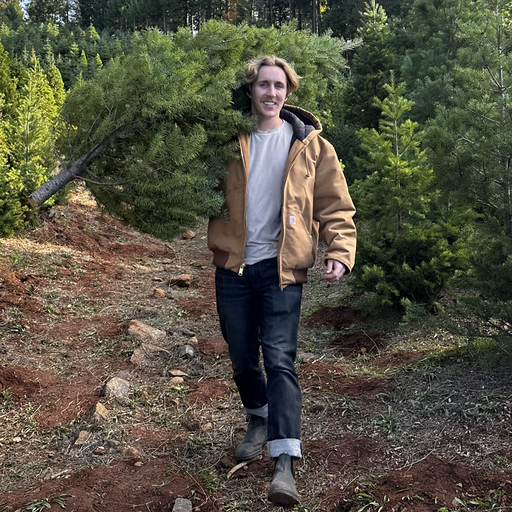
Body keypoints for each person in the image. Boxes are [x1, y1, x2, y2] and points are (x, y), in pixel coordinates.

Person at [208, 55, 356, 507]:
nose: (271, 93)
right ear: (251, 91)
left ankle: (284, 460)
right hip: (234, 268)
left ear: (288, 92)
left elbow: (334, 205)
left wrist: (339, 251)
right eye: (263, 85)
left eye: (278, 85)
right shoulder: (227, 140)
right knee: (240, 357)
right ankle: (259, 415)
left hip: (282, 271)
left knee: (279, 360)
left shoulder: (311, 146)